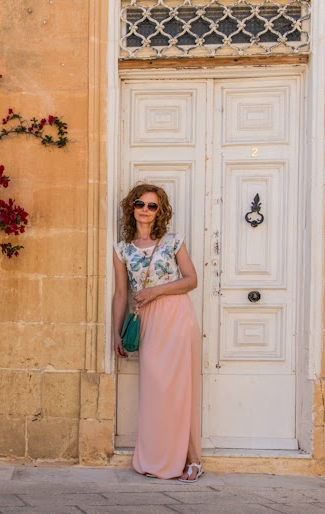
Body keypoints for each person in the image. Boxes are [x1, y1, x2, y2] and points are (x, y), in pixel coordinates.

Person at [112, 183, 203, 482]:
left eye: (152, 205)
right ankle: (156, 458)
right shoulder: (122, 249)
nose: (146, 210)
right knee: (155, 392)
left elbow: (191, 280)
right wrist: (117, 332)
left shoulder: (173, 241)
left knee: (179, 390)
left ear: (160, 211)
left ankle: (191, 459)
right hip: (147, 321)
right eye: (140, 204)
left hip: (176, 317)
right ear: (132, 208)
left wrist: (155, 291)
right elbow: (121, 294)